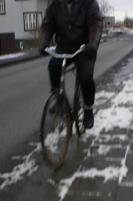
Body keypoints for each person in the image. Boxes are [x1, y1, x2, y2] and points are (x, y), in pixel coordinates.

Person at [39, 0, 103, 129]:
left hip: (84, 48)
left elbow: (95, 24)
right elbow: (48, 24)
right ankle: (59, 100)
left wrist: (93, 43)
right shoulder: (54, 4)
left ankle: (88, 109)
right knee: (53, 66)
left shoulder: (89, 3)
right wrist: (45, 41)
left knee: (86, 78)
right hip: (64, 47)